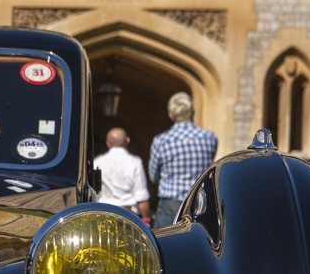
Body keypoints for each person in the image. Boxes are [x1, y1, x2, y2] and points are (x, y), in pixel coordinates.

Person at [148, 92, 218, 228]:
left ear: (171, 116)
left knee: (164, 247)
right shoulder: (210, 138)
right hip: (200, 204)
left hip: (170, 205)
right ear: (193, 111)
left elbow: (153, 176)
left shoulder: (161, 141)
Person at [93, 127, 150, 221]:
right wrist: (146, 220)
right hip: (128, 217)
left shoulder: (97, 162)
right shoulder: (135, 162)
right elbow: (141, 195)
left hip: (104, 216)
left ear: (108, 144)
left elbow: (94, 194)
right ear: (127, 141)